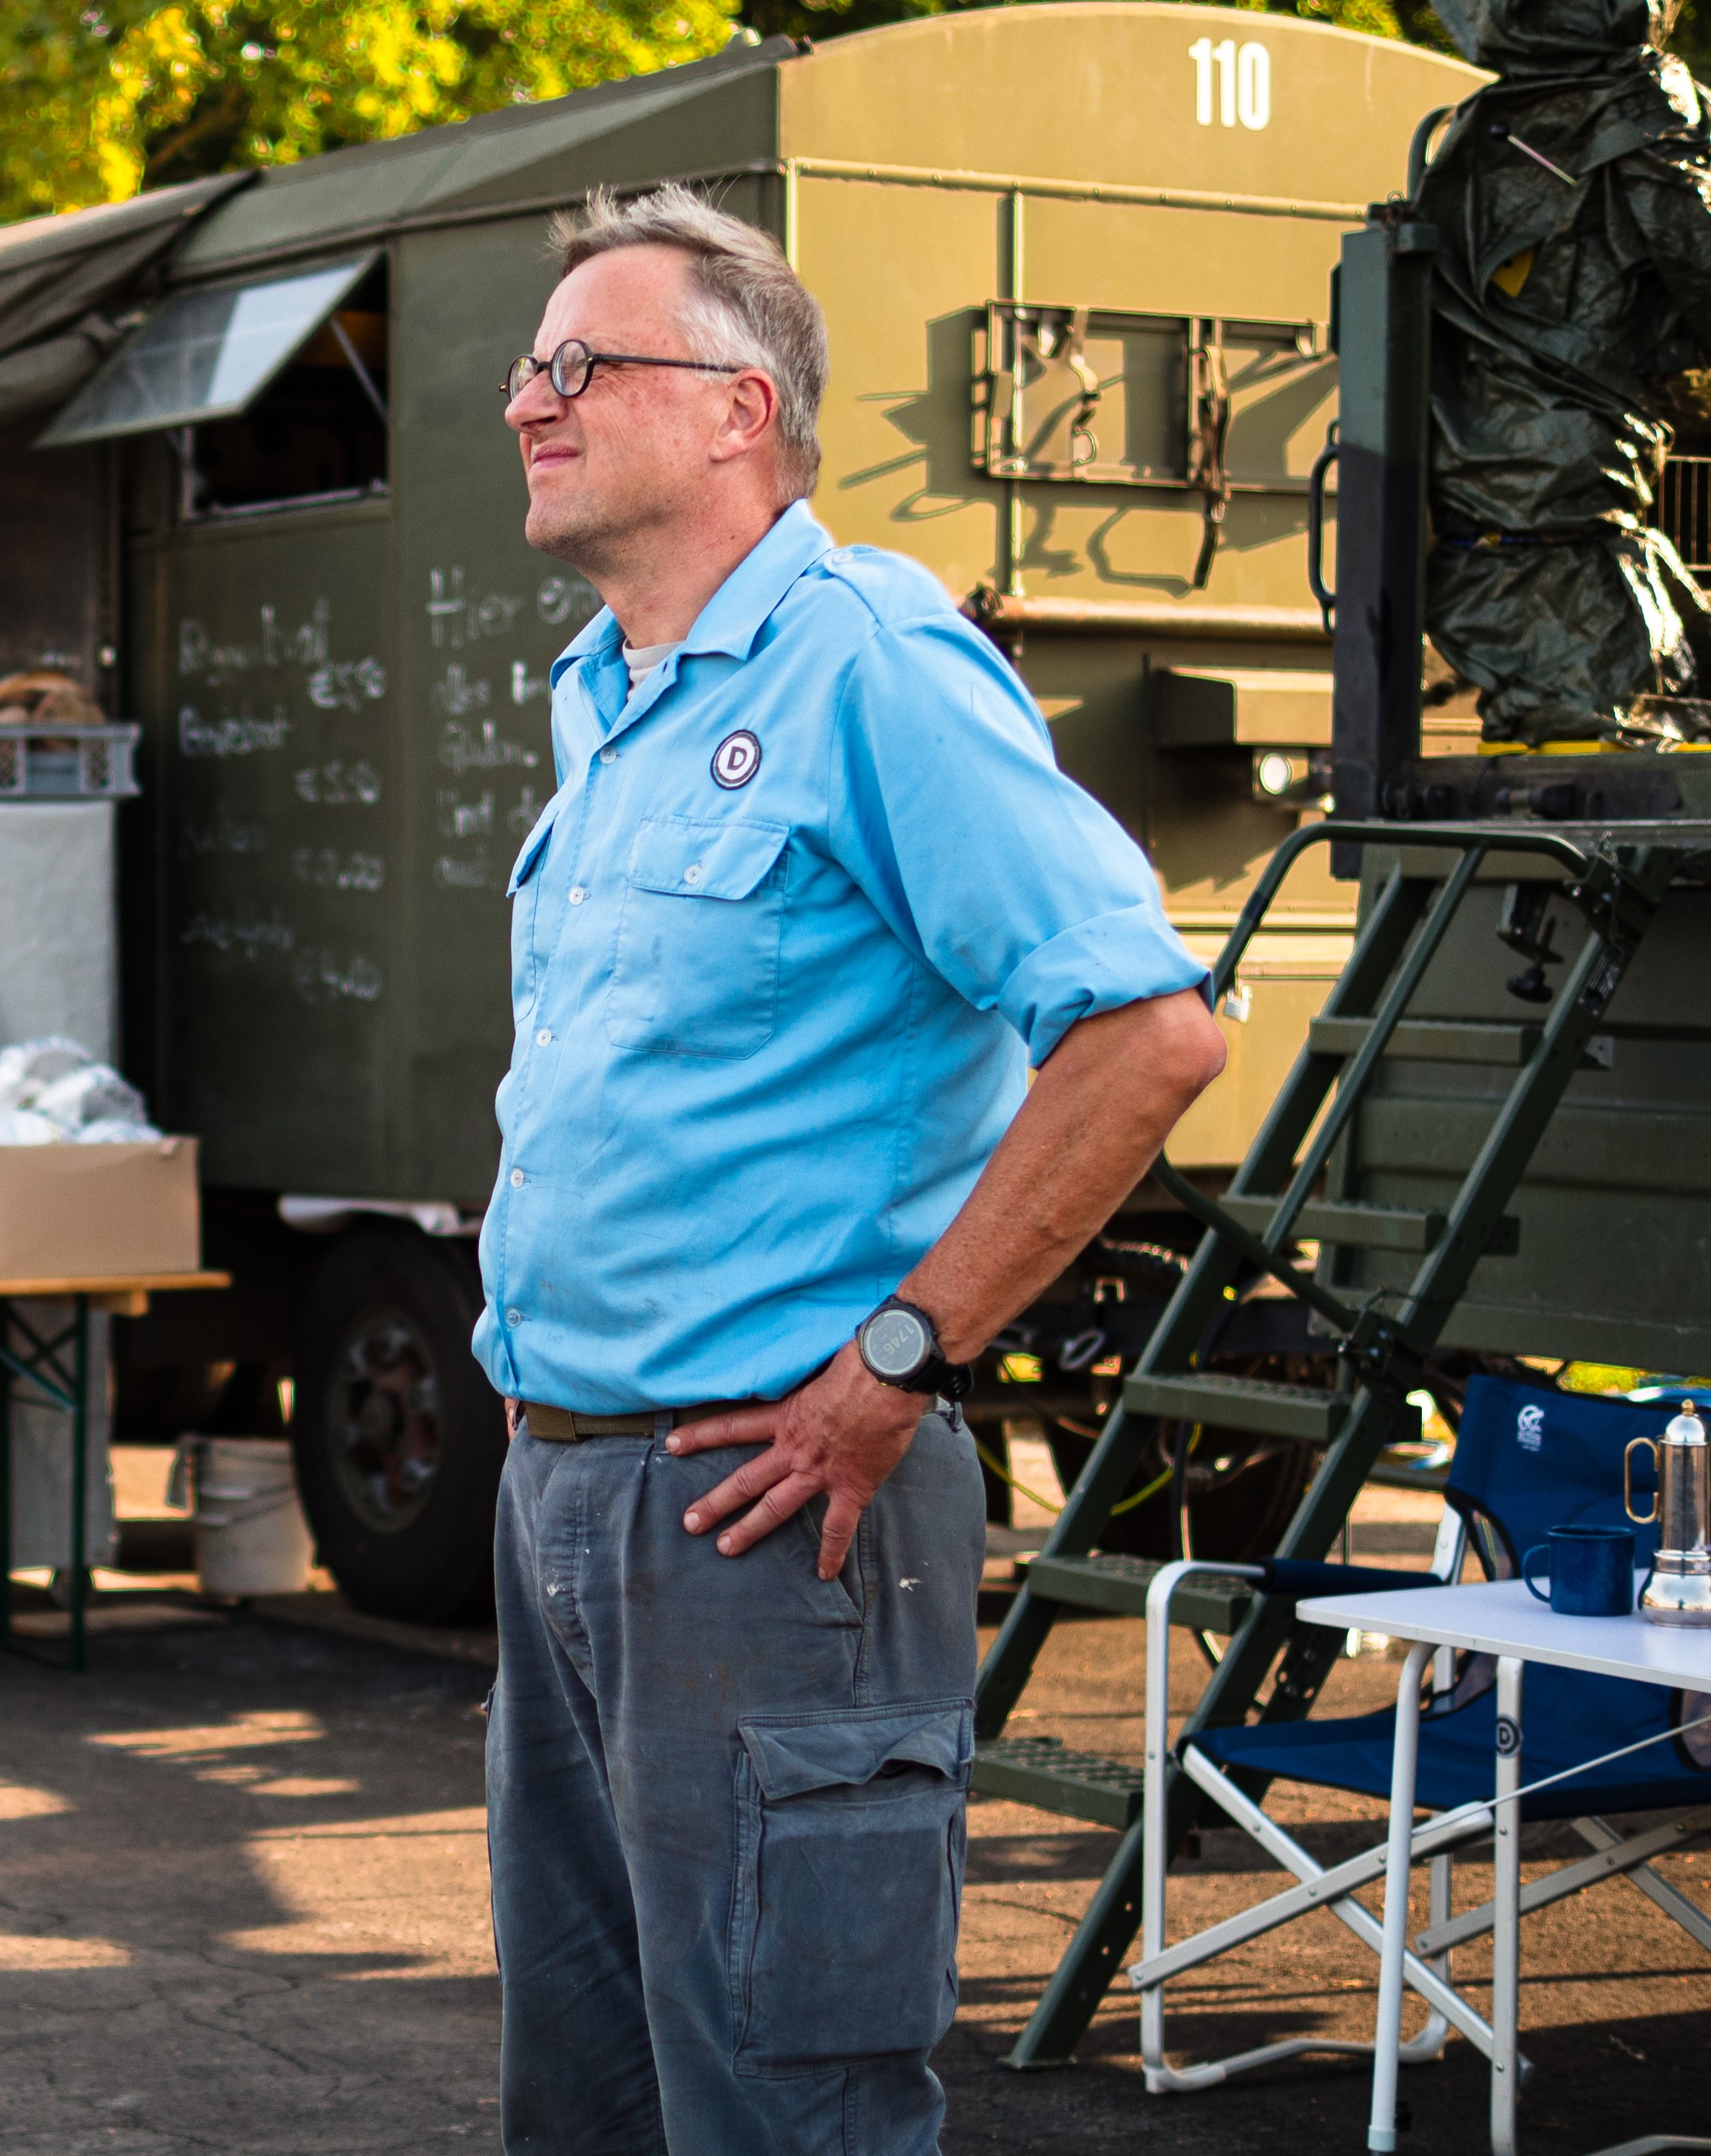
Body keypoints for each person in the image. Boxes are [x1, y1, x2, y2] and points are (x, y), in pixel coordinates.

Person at [475, 189, 1230, 2153]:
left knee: (779, 2112)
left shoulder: (868, 663)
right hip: (562, 1486)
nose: (525, 402)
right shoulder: (609, 694)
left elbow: (1145, 1029)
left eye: (581, 364)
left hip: (761, 1509)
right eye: (528, 368)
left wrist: (900, 1358)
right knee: (592, 2099)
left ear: (738, 408)